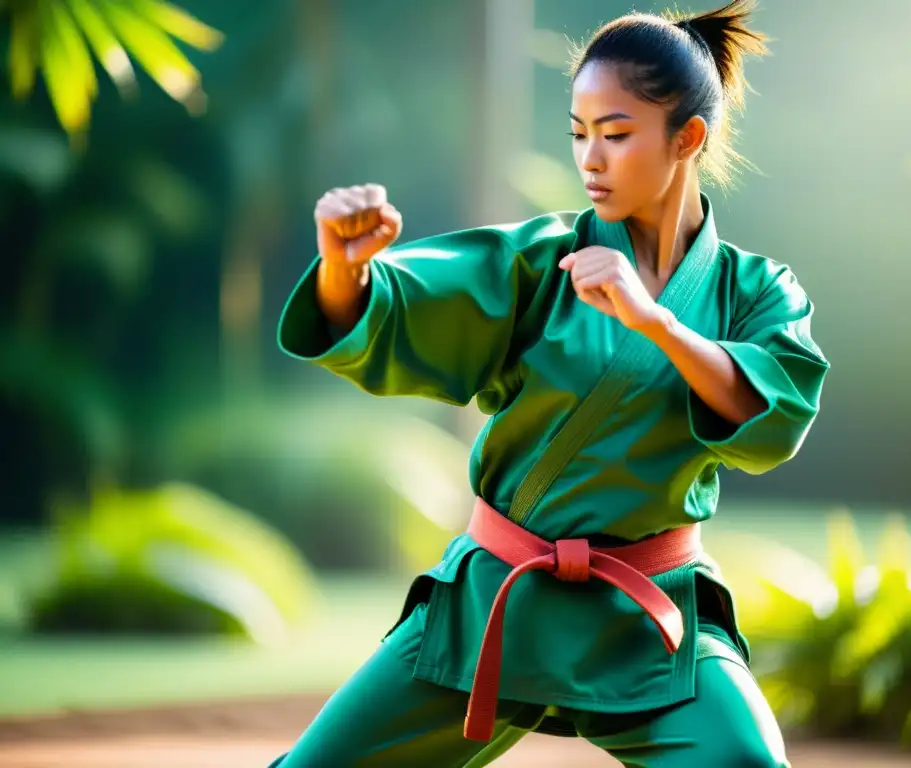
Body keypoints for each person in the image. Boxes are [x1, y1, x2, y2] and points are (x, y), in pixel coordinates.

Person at [270, 1, 828, 765]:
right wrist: (344, 268)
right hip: (496, 601)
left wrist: (654, 322)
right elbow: (396, 305)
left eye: (617, 133)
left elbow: (771, 414)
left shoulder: (757, 291)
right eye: (578, 132)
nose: (590, 158)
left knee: (747, 763)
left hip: (650, 622)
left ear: (687, 138)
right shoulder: (540, 261)